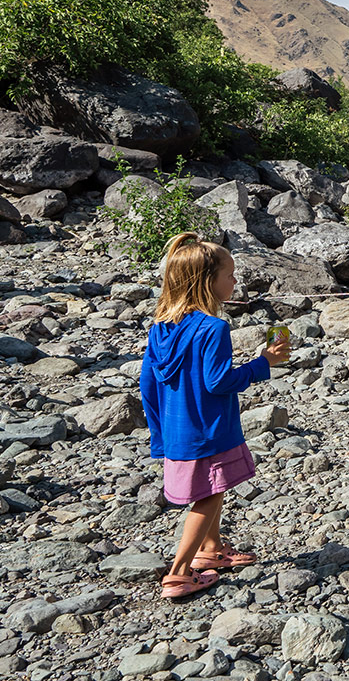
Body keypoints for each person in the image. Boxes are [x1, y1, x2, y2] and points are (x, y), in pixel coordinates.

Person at [140, 232, 289, 599]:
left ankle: (211, 551)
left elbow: (147, 384)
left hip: (178, 430)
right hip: (209, 429)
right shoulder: (214, 328)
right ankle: (178, 573)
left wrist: (160, 432)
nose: (235, 281)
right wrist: (263, 363)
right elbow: (219, 381)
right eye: (230, 275)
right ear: (208, 282)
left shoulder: (160, 327)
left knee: (207, 489)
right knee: (210, 496)